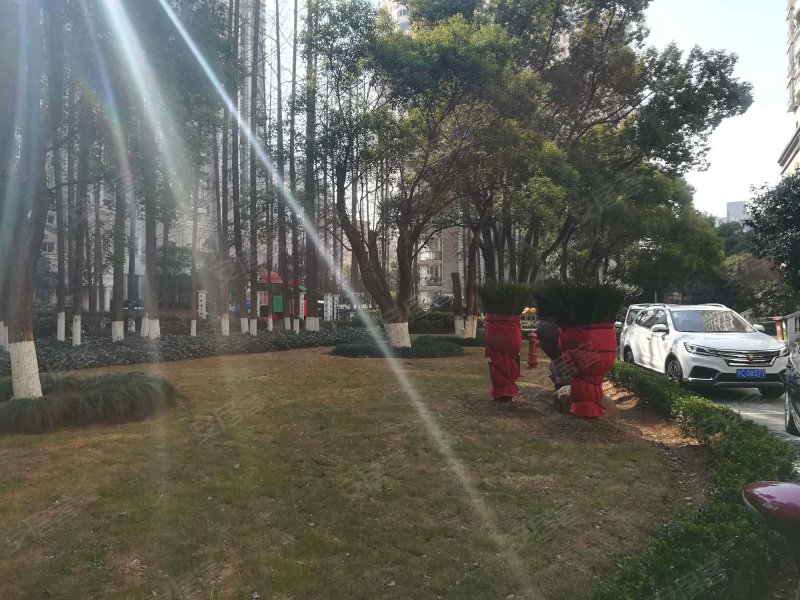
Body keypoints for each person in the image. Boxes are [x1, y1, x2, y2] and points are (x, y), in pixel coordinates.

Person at [537, 315, 570, 390]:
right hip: (556, 340)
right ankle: (562, 385)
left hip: (548, 340)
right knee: (561, 363)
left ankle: (559, 384)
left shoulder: (545, 320)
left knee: (556, 362)